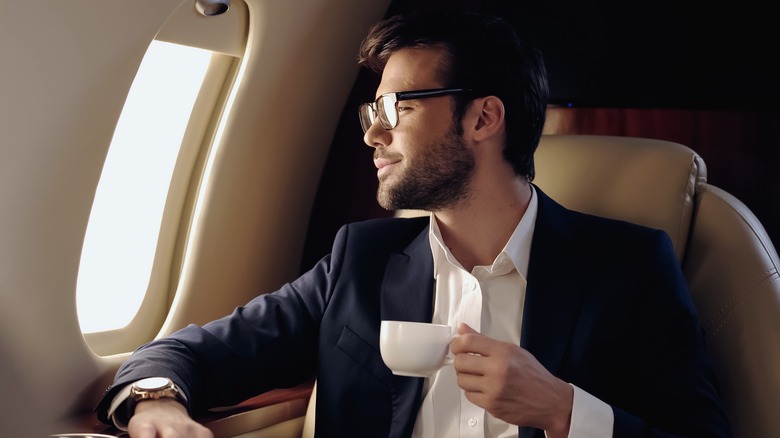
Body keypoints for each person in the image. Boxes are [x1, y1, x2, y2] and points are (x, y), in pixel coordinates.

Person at [96, 8, 732, 438]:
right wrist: (158, 404)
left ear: (484, 119)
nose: (374, 131)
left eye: (397, 106)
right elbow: (184, 352)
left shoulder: (629, 266)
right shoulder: (360, 261)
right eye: (374, 108)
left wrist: (566, 410)